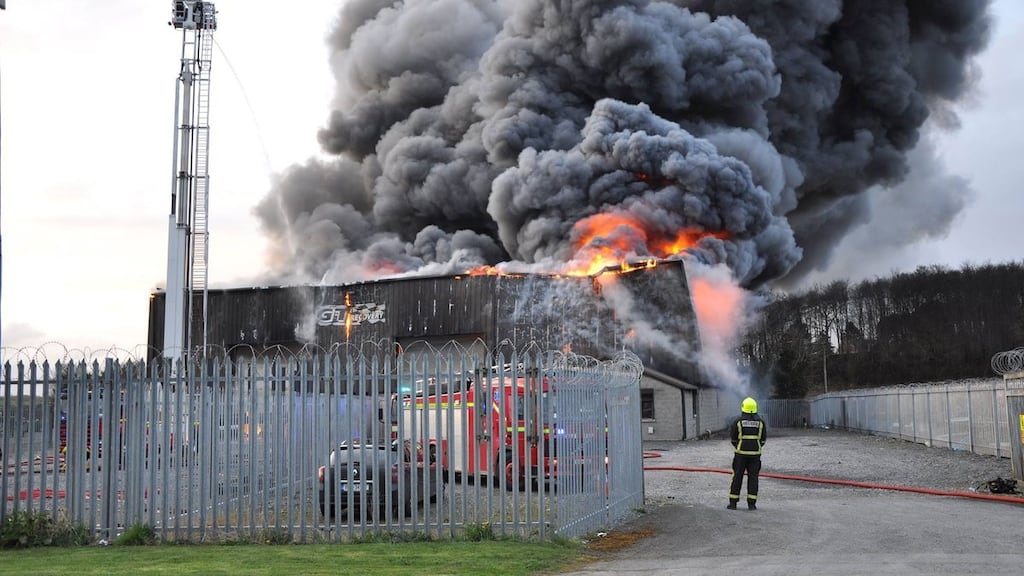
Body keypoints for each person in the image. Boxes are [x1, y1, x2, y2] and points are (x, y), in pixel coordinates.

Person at [727, 396, 767, 510]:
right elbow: (763, 439)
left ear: (743, 407)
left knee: (737, 477)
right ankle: (752, 504)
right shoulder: (761, 422)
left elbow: (733, 439)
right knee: (753, 478)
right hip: (755, 455)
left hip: (740, 455)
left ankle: (733, 503)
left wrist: (740, 446)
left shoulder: (737, 421)